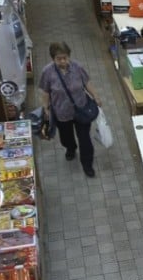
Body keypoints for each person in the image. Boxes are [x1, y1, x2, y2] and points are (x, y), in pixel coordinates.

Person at [38, 41, 102, 178]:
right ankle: (70, 148)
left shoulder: (77, 67)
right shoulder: (47, 72)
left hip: (81, 109)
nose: (63, 61)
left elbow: (87, 83)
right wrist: (46, 108)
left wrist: (96, 96)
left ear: (69, 56)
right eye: (59, 58)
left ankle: (87, 164)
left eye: (65, 57)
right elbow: (46, 92)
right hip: (61, 112)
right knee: (66, 137)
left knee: (85, 139)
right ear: (53, 58)